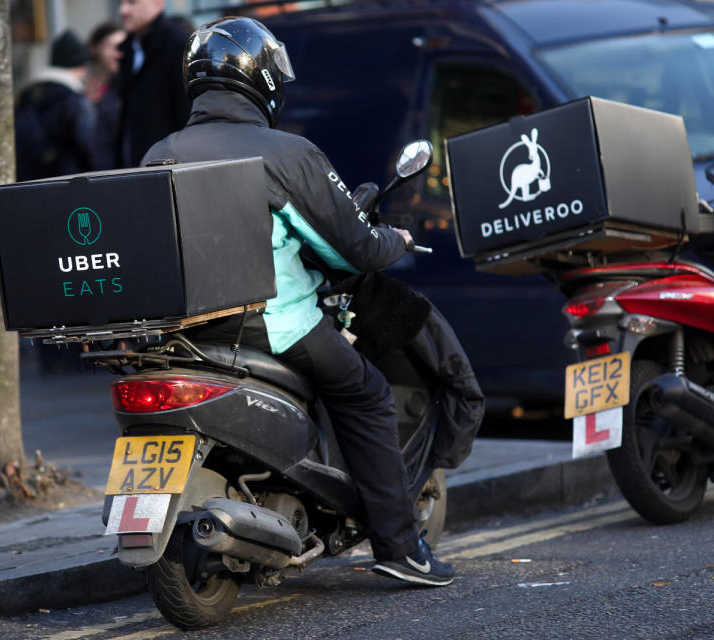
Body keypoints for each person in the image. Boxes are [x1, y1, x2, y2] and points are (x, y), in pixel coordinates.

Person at [142, 17, 455, 586]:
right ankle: (400, 547)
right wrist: (397, 241)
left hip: (183, 335)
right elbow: (351, 248)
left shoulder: (159, 154)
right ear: (262, 82)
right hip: (272, 326)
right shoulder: (289, 154)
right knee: (368, 393)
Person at [115, 0, 190, 168]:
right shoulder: (128, 50)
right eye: (121, 3)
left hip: (170, 170)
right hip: (136, 168)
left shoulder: (177, 45)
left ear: (157, 3)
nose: (123, 10)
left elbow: (187, 114)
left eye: (132, 2)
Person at [14, 30, 96, 181]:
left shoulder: (28, 94)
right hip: (68, 182)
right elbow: (88, 146)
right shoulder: (73, 99)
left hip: (30, 183)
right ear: (81, 66)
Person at [86, 22, 125, 171]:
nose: (119, 53)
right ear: (95, 48)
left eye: (122, 47)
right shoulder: (83, 86)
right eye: (112, 46)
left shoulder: (125, 84)